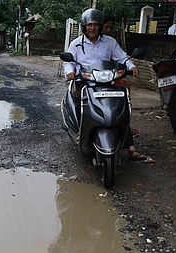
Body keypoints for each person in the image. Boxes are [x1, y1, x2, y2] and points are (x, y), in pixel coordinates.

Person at [63, 8, 142, 160]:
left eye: (96, 25)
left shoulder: (109, 42)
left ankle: (125, 139)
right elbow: (69, 62)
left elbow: (122, 58)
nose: (92, 28)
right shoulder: (76, 44)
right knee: (81, 99)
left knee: (121, 104)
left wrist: (131, 66)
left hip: (107, 81)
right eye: (89, 25)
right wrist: (69, 72)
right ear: (84, 26)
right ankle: (82, 131)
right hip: (85, 81)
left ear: (100, 26)